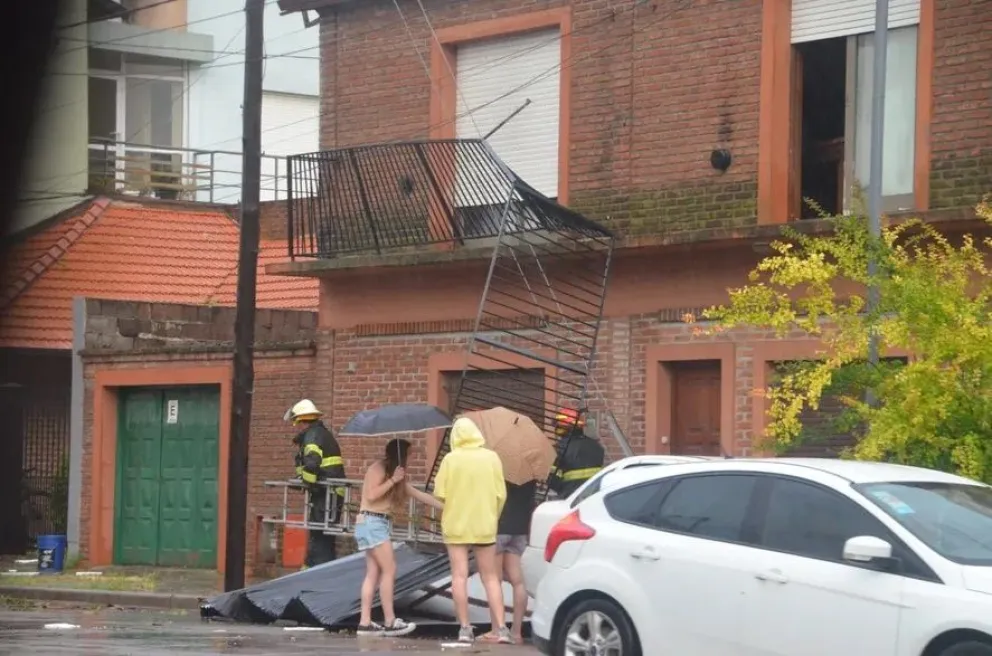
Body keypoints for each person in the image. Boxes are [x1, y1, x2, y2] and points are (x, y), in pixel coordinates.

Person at [434, 417, 512, 644]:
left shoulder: (450, 459)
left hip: (456, 525)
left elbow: (440, 494)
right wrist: (492, 516)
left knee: (459, 576)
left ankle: (465, 629)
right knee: (490, 577)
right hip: (484, 525)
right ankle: (501, 628)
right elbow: (501, 494)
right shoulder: (492, 458)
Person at [355, 438, 443, 637]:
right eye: (410, 455)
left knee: (374, 573)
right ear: (400, 454)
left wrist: (446, 507)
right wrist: (393, 479)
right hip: (373, 522)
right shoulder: (378, 468)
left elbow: (417, 494)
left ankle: (365, 623)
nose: (411, 458)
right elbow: (371, 495)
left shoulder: (396, 473)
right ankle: (390, 621)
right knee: (390, 569)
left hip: (374, 523)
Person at [286, 399, 346, 568]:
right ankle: (311, 569)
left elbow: (312, 464)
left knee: (321, 534)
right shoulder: (320, 433)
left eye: (296, 423)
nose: (296, 427)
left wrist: (305, 482)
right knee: (320, 534)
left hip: (327, 493)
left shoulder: (312, 436)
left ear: (303, 421)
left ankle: (319, 573)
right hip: (328, 492)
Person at [495, 478, 537, 645]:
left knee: (494, 580)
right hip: (520, 529)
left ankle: (497, 630)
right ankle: (516, 632)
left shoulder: (498, 467)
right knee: (519, 582)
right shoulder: (530, 471)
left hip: (498, 527)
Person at [547, 409, 605, 499]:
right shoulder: (596, 445)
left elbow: (552, 480)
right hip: (594, 496)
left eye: (558, 426)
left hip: (570, 498)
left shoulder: (559, 448)